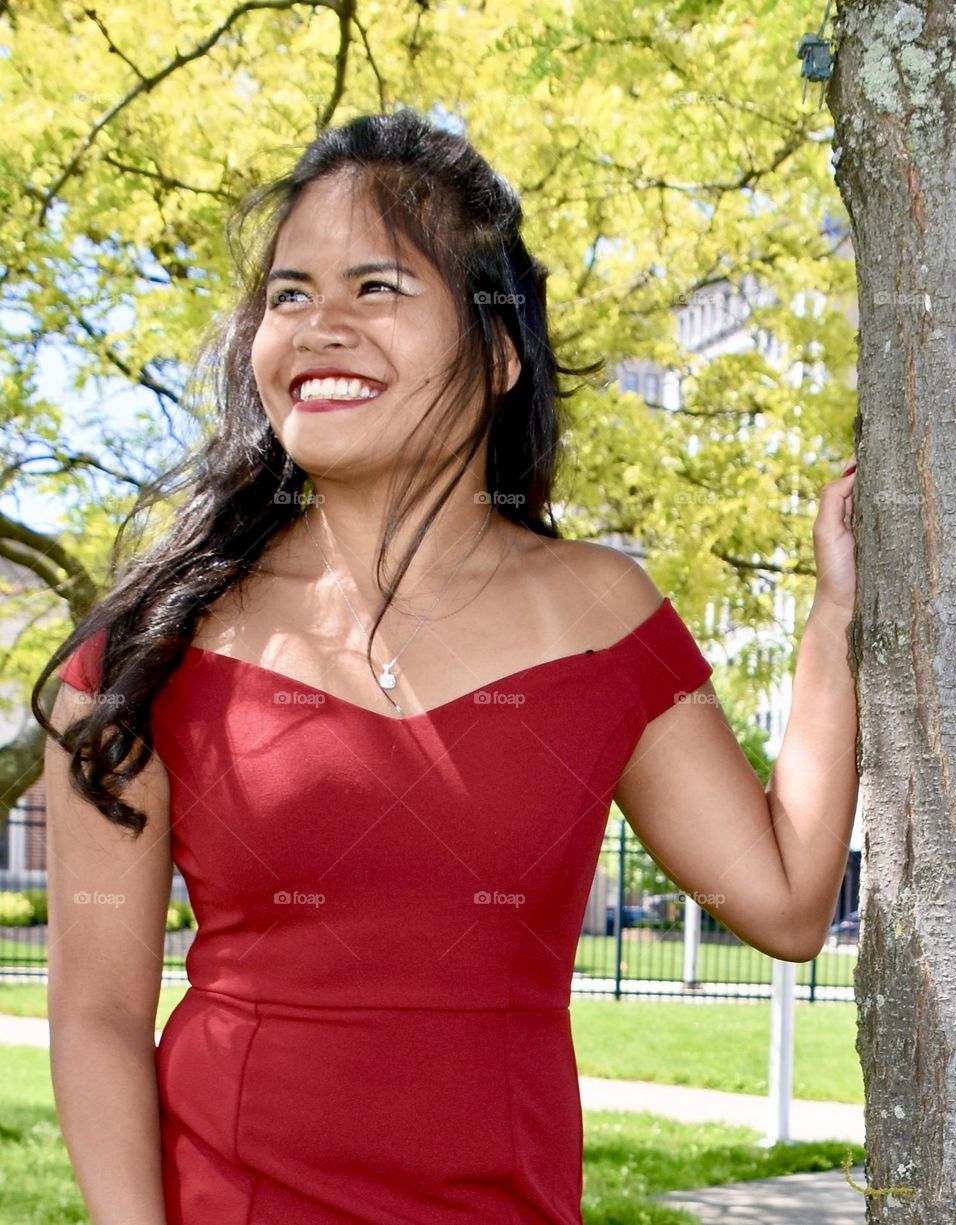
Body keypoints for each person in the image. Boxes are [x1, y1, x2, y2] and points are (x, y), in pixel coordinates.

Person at [34, 108, 859, 1225]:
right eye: (289, 293)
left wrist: (834, 618)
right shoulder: (146, 651)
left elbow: (787, 899)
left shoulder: (602, 616)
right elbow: (94, 1011)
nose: (321, 323)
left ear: (502, 349)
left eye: (378, 287)